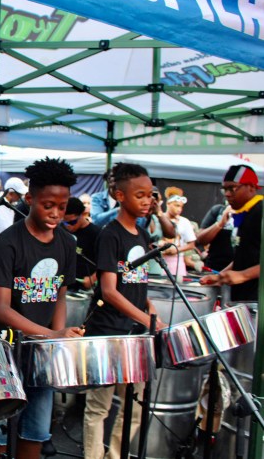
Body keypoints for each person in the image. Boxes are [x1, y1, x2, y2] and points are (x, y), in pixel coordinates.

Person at [0, 157, 84, 459]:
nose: (55, 213)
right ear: (29, 199)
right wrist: (52, 334)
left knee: (36, 432)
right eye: (47, 205)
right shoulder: (9, 242)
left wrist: (56, 339)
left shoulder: (66, 243)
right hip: (4, 353)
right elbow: (0, 308)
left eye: (62, 207)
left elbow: (60, 296)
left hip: (42, 354)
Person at [83, 162, 165, 459]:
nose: (147, 201)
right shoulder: (110, 234)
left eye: (150, 195)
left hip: (135, 332)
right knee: (99, 406)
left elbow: (137, 283)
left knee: (137, 406)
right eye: (140, 195)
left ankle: (114, 455)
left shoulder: (142, 236)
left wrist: (150, 309)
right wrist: (145, 318)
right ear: (120, 196)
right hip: (108, 332)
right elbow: (109, 290)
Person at [200, 165, 262, 302]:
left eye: (232, 188)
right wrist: (221, 277)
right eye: (225, 189)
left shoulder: (260, 212)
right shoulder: (243, 213)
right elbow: (245, 256)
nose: (227, 194)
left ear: (251, 187)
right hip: (242, 297)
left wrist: (243, 275)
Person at [63, 197, 101, 291]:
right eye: (64, 222)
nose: (68, 226)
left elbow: (107, 261)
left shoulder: (96, 234)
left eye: (72, 222)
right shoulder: (60, 230)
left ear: (82, 215)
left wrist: (93, 277)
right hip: (64, 285)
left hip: (85, 287)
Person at [161, 187, 197, 280]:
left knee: (177, 290)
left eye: (181, 206)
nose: (179, 209)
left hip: (177, 263)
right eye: (176, 205)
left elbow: (191, 244)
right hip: (158, 262)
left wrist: (177, 250)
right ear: (168, 204)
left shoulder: (184, 222)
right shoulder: (157, 219)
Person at [197, 201, 234, 272]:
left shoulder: (253, 212)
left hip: (241, 272)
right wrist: (220, 223)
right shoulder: (218, 211)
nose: (228, 194)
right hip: (214, 267)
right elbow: (200, 240)